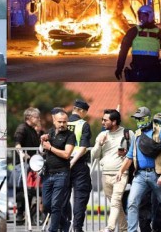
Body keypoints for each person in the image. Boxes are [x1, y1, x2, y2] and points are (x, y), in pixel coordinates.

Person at [115, 106, 161, 232]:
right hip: (140, 176)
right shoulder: (137, 134)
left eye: (140, 119)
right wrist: (120, 171)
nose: (138, 122)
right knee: (132, 203)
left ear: (147, 118)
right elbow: (130, 156)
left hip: (157, 175)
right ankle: (132, 230)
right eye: (136, 119)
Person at [91, 109, 134, 232]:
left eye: (105, 120)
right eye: (102, 119)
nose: (102, 122)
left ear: (114, 121)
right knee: (116, 205)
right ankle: (124, 229)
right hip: (105, 174)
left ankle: (109, 228)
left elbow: (134, 152)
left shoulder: (128, 133)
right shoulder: (102, 135)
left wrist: (126, 153)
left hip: (121, 173)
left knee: (115, 202)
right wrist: (99, 144)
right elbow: (93, 155)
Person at [115, 5, 161, 82]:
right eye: (140, 15)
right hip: (138, 71)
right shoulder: (134, 31)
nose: (141, 18)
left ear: (150, 16)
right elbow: (123, 50)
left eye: (144, 16)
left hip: (154, 72)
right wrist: (119, 67)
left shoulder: (158, 32)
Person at [41, 110, 75, 232]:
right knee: (46, 205)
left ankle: (53, 229)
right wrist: (42, 142)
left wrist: (50, 147)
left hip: (62, 174)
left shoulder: (70, 135)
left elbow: (67, 154)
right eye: (59, 122)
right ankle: (64, 224)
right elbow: (42, 151)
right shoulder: (50, 132)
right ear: (54, 121)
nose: (62, 124)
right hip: (47, 174)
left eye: (64, 122)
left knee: (56, 205)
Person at [63, 99, 92, 232]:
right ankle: (77, 228)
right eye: (85, 112)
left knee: (63, 197)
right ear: (81, 111)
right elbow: (84, 146)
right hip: (78, 165)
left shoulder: (62, 122)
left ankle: (64, 226)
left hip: (62, 165)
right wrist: (73, 161)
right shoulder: (83, 124)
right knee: (80, 197)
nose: (85, 114)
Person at [13, 107, 41, 222]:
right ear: (29, 117)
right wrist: (23, 154)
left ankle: (28, 213)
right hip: (22, 165)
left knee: (30, 191)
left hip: (32, 165)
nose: (38, 119)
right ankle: (20, 214)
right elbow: (17, 144)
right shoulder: (22, 128)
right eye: (36, 117)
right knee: (21, 189)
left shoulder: (33, 130)